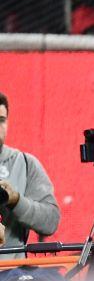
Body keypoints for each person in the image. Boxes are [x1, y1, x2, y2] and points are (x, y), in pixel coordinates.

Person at [0, 92, 60, 259]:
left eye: (1, 120)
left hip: (11, 271)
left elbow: (51, 221)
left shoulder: (25, 163)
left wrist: (17, 201)